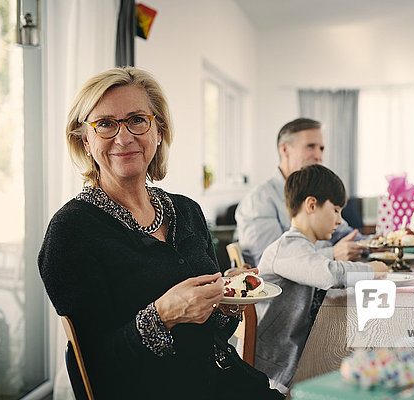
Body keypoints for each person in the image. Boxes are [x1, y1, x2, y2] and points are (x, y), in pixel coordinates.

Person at [38, 67, 283, 400]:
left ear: (157, 131)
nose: (124, 138)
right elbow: (95, 369)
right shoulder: (71, 231)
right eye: (106, 124)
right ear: (86, 140)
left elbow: (212, 334)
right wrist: (163, 315)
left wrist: (225, 302)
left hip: (226, 383)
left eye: (137, 119)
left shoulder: (187, 211)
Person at [253, 164, 388, 393]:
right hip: (276, 372)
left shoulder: (303, 248)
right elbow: (328, 274)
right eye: (335, 210)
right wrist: (373, 270)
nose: (339, 220)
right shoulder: (286, 247)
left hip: (294, 358)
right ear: (311, 205)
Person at [235, 118, 364, 268]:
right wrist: (333, 253)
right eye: (310, 146)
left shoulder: (319, 193)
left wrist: (379, 244)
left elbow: (346, 235)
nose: (318, 156)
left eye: (321, 148)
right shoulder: (258, 200)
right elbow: (269, 261)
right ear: (284, 149)